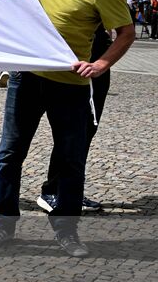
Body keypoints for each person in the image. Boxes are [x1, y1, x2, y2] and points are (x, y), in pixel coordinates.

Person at [0, 0, 133, 258]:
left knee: (70, 161)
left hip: (71, 86)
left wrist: (102, 63)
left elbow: (126, 33)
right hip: (26, 77)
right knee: (9, 155)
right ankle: (2, 223)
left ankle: (67, 230)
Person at [37, 26, 115, 215]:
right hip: (78, 61)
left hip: (95, 57)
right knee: (75, 132)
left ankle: (66, 191)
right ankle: (53, 191)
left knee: (85, 130)